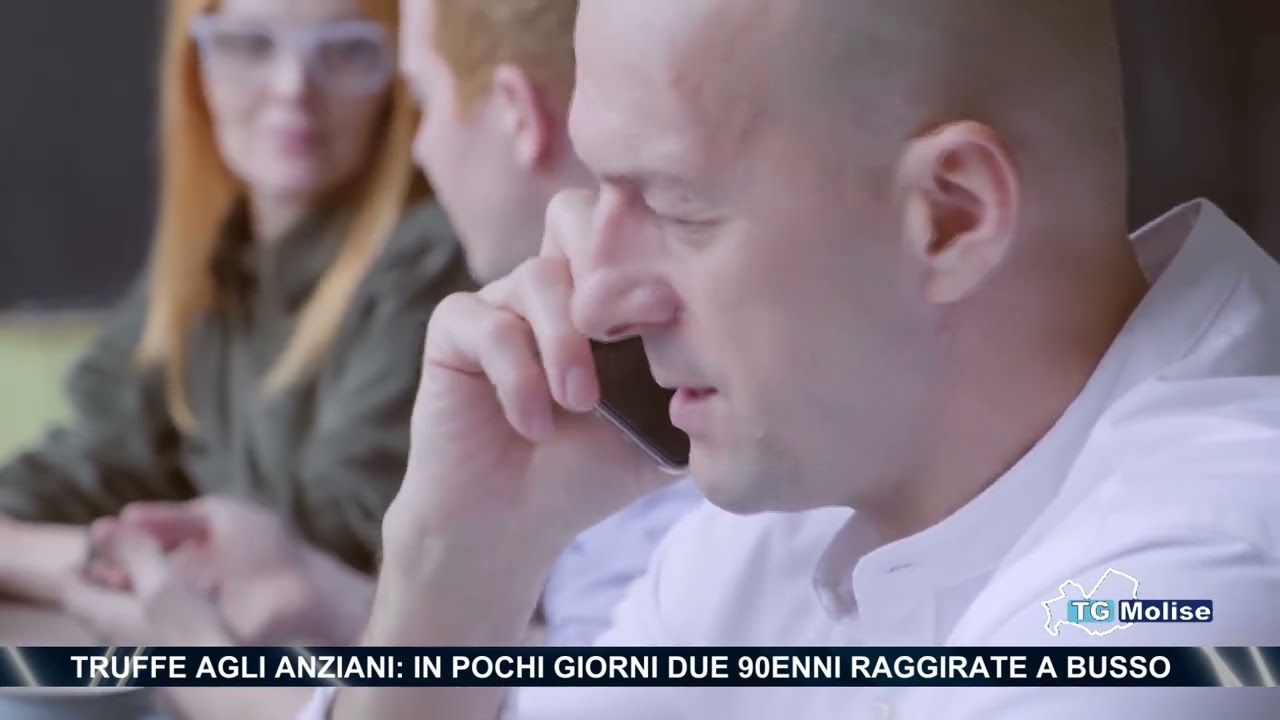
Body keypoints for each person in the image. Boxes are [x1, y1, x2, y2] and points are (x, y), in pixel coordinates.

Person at [79, 0, 1280, 718]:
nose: (591, 289)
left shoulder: (1185, 588)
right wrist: (451, 580)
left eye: (671, 202)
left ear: (951, 218)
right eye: (597, 186)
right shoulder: (812, 483)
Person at [63, 0, 700, 655]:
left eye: (420, 98)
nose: (419, 146)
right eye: (249, 43)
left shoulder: (441, 279)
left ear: (516, 112)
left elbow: (610, 689)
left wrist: (203, 657)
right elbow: (588, 666)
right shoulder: (209, 262)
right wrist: (312, 591)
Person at [0, 0, 474, 630]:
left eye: (346, 49)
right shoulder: (213, 255)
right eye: (249, 43)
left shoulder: (434, 256)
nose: (292, 88)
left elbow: (307, 561)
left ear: (398, 74)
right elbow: (103, 454)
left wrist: (38, 555)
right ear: (195, 65)